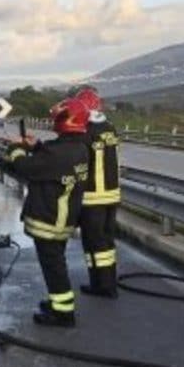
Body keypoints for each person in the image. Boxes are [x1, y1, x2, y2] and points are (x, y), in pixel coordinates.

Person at [4, 98, 91, 327]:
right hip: (65, 219)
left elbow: (25, 168)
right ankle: (58, 303)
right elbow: (54, 161)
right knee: (56, 264)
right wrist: (37, 147)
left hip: (50, 221)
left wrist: (16, 149)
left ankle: (63, 313)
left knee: (54, 268)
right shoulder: (80, 149)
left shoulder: (58, 154)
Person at [72, 86, 121, 298]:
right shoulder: (110, 128)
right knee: (107, 242)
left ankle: (101, 286)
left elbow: (76, 161)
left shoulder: (86, 131)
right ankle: (107, 282)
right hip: (112, 196)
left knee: (93, 243)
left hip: (93, 198)